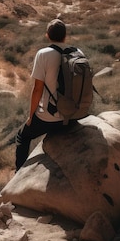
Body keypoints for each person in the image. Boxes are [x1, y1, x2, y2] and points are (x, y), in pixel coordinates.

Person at [15, 18, 78, 170]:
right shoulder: (77, 52)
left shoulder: (43, 54)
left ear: (47, 36)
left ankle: (18, 175)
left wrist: (31, 117)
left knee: (22, 137)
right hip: (73, 116)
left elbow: (37, 89)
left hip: (50, 117)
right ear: (65, 36)